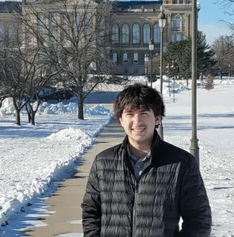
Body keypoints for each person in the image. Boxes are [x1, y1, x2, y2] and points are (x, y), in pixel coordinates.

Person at [81, 83, 211, 237]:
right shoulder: (103, 162)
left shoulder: (182, 163)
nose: (137, 121)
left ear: (157, 119)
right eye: (130, 114)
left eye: (144, 113)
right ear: (120, 119)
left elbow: (198, 219)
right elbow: (91, 213)